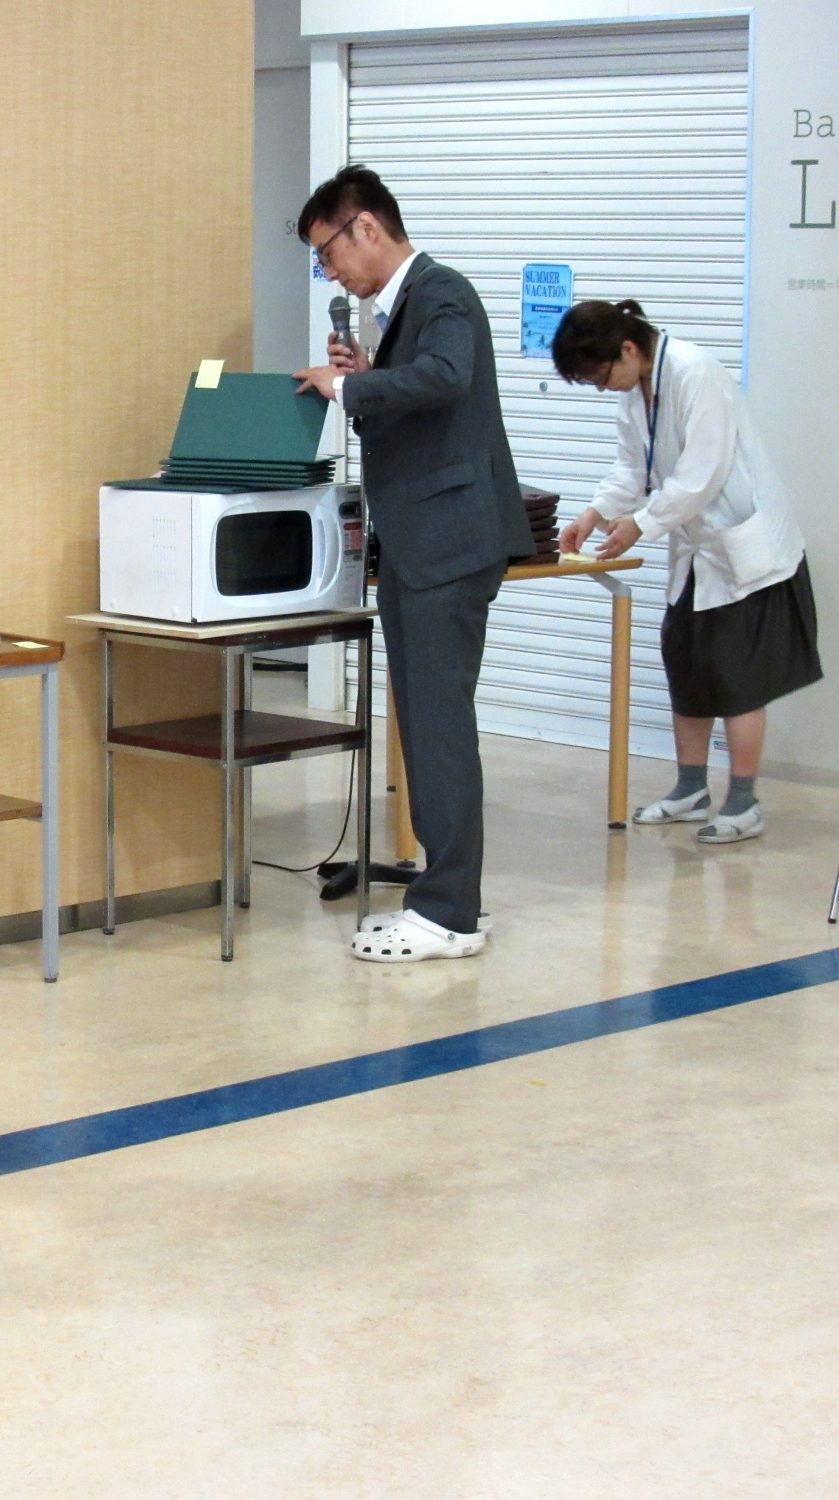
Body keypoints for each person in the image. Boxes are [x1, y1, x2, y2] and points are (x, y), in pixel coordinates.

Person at [294, 166, 533, 964]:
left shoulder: (441, 292)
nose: (330, 273)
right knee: (430, 726)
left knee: (437, 729)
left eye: (328, 253)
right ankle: (450, 895)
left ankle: (447, 915)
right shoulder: (404, 312)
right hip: (421, 543)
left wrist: (346, 390)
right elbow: (424, 402)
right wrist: (369, 379)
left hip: (446, 544)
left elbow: (448, 376)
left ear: (365, 227)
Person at [553, 298, 819, 844]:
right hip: (697, 550)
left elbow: (704, 472)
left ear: (629, 348)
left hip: (742, 549)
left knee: (738, 680)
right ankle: (691, 789)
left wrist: (640, 523)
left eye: (601, 377)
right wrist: (594, 513)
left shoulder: (696, 371)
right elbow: (633, 467)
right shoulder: (637, 390)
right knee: (688, 666)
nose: (603, 389)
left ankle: (744, 801)